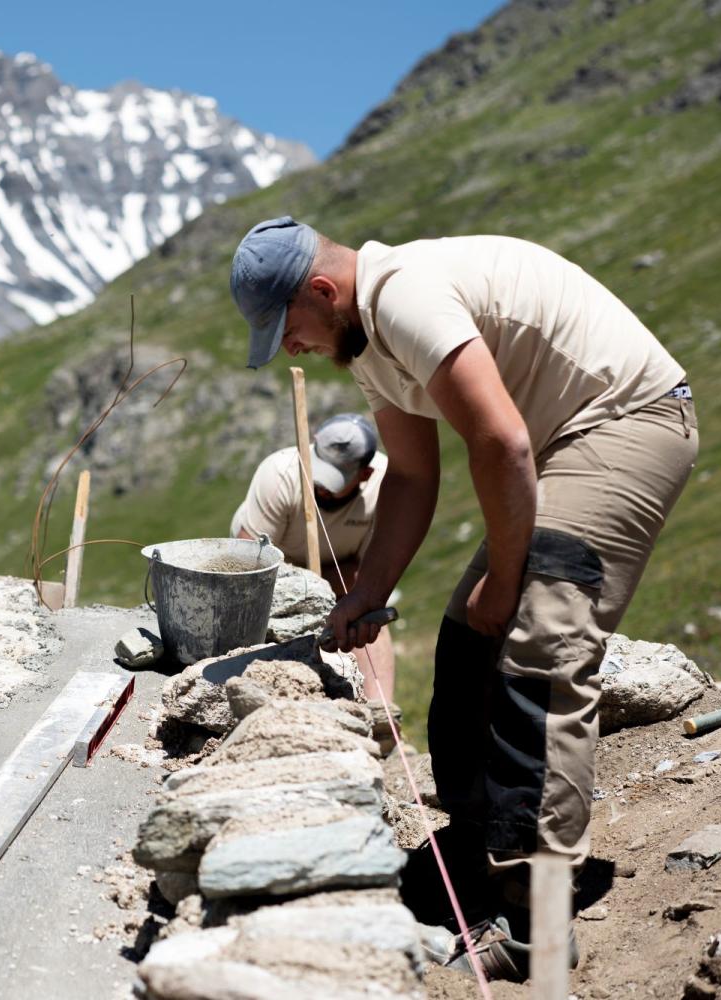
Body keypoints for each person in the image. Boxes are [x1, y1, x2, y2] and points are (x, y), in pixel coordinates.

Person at [228, 216, 696, 980]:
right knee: (464, 640)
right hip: (556, 444)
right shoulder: (370, 343)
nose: (291, 348)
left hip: (627, 421)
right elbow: (412, 476)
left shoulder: (406, 300)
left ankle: (535, 915)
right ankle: (473, 860)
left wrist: (506, 580)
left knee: (537, 641)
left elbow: (502, 444)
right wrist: (368, 593)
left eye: (288, 329)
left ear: (322, 290)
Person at [229, 412, 397, 704]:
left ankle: (379, 714)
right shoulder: (279, 474)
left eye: (334, 478)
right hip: (271, 569)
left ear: (364, 474)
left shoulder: (385, 488)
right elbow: (248, 565)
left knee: (367, 618)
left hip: (339, 572)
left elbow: (369, 575)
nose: (320, 485)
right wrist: (306, 581)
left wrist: (326, 584)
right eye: (318, 469)